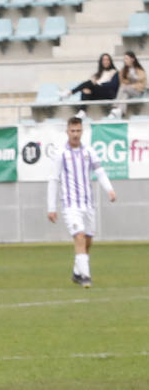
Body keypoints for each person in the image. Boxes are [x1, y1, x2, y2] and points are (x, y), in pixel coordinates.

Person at [47, 116, 116, 288]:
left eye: (78, 131)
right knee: (79, 236)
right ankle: (86, 276)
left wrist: (109, 189)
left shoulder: (89, 152)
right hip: (70, 205)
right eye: (72, 130)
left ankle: (77, 273)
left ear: (82, 131)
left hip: (88, 204)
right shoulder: (61, 154)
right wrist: (51, 207)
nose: (75, 134)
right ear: (67, 131)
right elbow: (54, 179)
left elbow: (100, 172)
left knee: (88, 241)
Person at [109, 51, 146, 118]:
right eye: (124, 59)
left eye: (126, 58)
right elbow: (122, 82)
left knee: (123, 88)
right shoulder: (124, 70)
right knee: (125, 93)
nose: (125, 60)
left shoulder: (140, 70)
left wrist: (131, 85)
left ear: (132, 59)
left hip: (138, 91)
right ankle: (120, 112)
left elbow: (142, 84)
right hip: (128, 91)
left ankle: (115, 107)